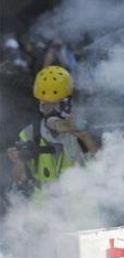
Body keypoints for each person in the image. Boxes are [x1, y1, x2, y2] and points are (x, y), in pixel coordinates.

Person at [5, 65, 98, 197]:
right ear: (40, 105)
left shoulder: (81, 130)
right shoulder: (29, 133)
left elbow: (101, 168)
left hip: (79, 209)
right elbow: (18, 179)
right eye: (46, 105)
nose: (52, 110)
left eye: (57, 104)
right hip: (45, 212)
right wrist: (20, 160)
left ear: (68, 104)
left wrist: (84, 137)